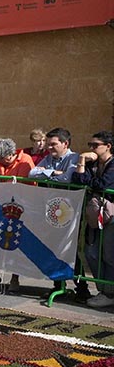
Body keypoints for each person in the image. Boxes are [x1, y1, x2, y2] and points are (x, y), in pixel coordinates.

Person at [0, 138, 35, 292]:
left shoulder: (25, 161)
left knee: (16, 244)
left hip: (19, 210)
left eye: (1, 157)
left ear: (10, 155)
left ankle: (14, 278)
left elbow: (25, 187)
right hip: (1, 208)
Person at [72, 131, 114, 309]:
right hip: (93, 214)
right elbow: (77, 179)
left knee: (109, 254)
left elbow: (103, 184)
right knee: (91, 253)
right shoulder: (92, 163)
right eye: (90, 145)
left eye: (95, 145)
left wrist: (88, 181)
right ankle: (102, 289)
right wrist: (81, 160)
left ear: (108, 146)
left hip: (110, 216)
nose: (91, 149)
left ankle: (109, 292)